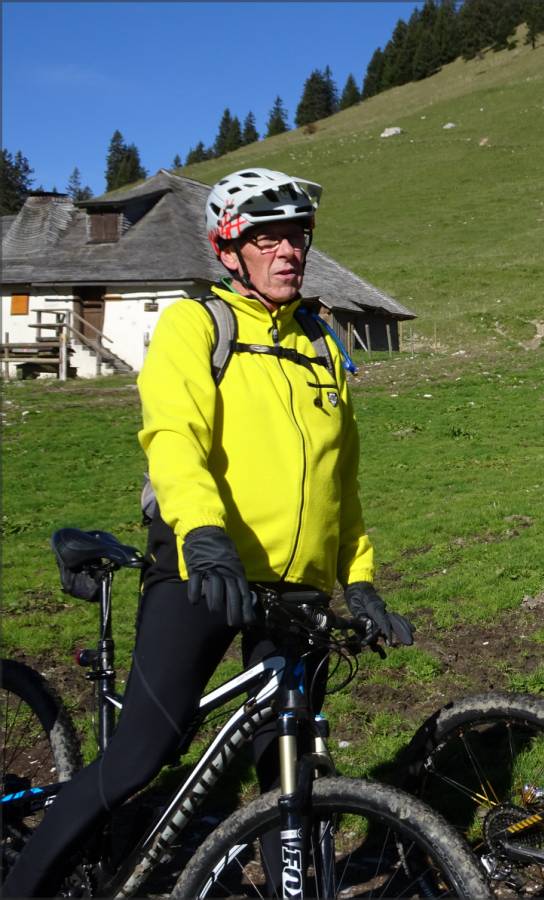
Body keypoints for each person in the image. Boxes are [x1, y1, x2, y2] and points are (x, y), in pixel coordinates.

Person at [4, 168, 414, 897]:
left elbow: (340, 483)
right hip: (204, 566)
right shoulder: (198, 326)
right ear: (229, 250)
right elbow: (174, 437)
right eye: (267, 238)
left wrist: (358, 578)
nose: (289, 251)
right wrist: (202, 534)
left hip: (296, 589)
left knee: (288, 768)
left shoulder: (323, 348)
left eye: (298, 236)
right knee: (141, 755)